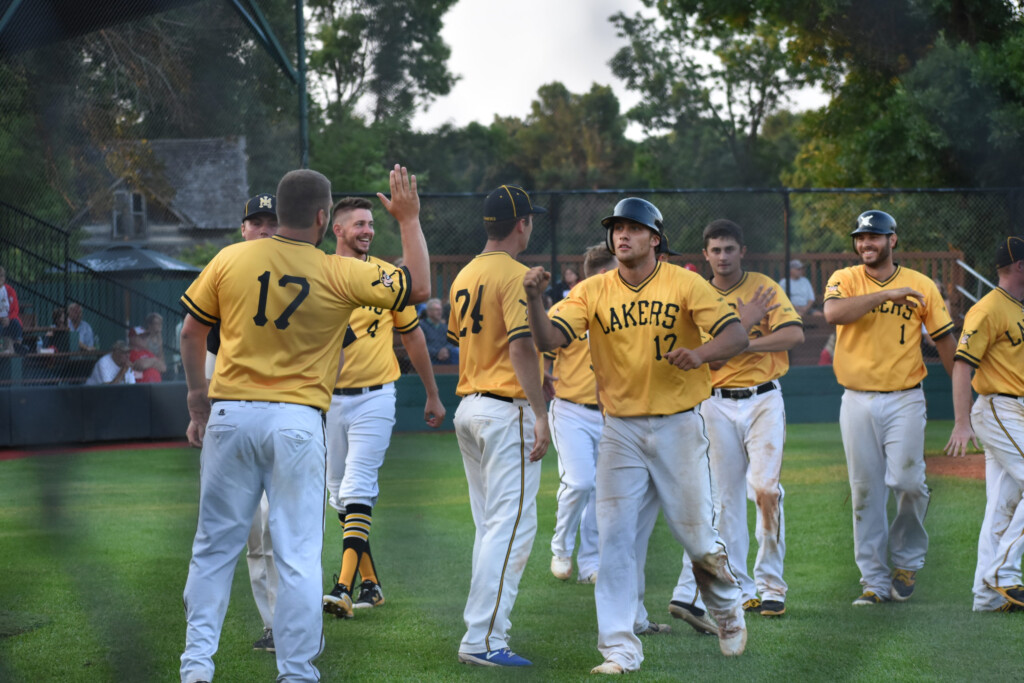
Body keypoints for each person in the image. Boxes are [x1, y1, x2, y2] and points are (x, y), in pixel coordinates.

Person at [177, 165, 430, 683]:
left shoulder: (230, 258)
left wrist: (197, 401)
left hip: (229, 416)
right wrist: (407, 219)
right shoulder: (338, 270)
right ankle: (296, 673)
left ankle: (197, 668)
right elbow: (419, 287)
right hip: (296, 422)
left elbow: (190, 331)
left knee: (212, 550)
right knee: (296, 555)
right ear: (322, 217)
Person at [524, 197, 751, 673]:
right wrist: (533, 300)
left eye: (632, 228)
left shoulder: (684, 282)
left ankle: (727, 608)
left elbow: (737, 338)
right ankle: (620, 649)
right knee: (615, 540)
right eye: (616, 228)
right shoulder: (591, 290)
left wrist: (701, 353)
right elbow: (549, 341)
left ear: (654, 238)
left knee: (697, 539)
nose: (621, 235)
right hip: (620, 430)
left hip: (679, 426)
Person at [669, 219, 804, 627]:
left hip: (763, 396)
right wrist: (741, 331)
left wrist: (741, 342)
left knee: (765, 490)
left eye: (730, 248)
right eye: (716, 250)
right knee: (725, 501)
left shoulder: (763, 286)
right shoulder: (698, 293)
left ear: (742, 250)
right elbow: (702, 355)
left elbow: (794, 335)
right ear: (704, 255)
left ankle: (772, 586)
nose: (723, 256)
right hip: (716, 401)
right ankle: (743, 588)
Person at [823, 209, 955, 606]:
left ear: (892, 240)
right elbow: (832, 314)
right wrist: (885, 294)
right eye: (861, 238)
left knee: (909, 483)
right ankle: (874, 581)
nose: (866, 244)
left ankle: (907, 562)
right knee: (865, 492)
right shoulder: (844, 278)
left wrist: (968, 394)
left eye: (875, 237)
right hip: (857, 399)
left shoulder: (920, 284)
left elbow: (946, 340)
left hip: (904, 397)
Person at [322, 196, 446, 618]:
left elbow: (411, 337)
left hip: (376, 395)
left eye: (371, 223)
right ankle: (371, 584)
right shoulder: (320, 272)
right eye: (358, 223)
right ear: (336, 229)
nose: (368, 230)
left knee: (357, 486)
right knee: (338, 495)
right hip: (328, 401)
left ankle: (342, 588)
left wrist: (431, 392)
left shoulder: (387, 277)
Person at [448, 185, 550, 668]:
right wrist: (542, 412)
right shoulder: (516, 275)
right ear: (522, 224)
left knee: (491, 528)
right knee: (511, 528)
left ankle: (482, 631)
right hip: (505, 409)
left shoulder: (466, 273)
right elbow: (521, 346)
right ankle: (483, 638)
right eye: (530, 219)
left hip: (469, 407)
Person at [192, 193, 281, 653]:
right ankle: (275, 626)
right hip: (233, 418)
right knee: (251, 534)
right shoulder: (224, 276)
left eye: (272, 221)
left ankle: (290, 624)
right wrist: (199, 411)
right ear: (243, 228)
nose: (264, 228)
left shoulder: (301, 273)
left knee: (280, 531)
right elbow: (203, 346)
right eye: (257, 221)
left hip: (288, 418)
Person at [945, 235, 1024, 613]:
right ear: (1020, 266)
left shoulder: (1020, 307)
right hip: (999, 408)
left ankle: (987, 598)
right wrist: (962, 422)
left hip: (1016, 410)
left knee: (1002, 504)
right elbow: (962, 366)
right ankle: (1004, 573)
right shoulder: (989, 309)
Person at [548, 244, 617, 586]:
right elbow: (535, 345)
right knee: (579, 482)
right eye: (611, 272)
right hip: (572, 409)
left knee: (601, 491)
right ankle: (561, 547)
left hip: (612, 414)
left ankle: (590, 564)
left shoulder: (625, 310)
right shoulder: (568, 308)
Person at [419, 297, 458, 364]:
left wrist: (446, 349)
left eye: (440, 310)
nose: (439, 312)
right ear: (429, 312)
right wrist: (437, 353)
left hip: (446, 355)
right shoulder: (421, 326)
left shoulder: (444, 327)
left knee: (456, 352)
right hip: (430, 357)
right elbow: (421, 345)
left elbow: (450, 342)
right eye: (436, 310)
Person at [0, 265, 23, 354]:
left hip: (9, 319)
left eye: (2, 275)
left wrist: (9, 319)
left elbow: (15, 309)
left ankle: (18, 346)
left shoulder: (10, 290)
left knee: (16, 323)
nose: (0, 278)